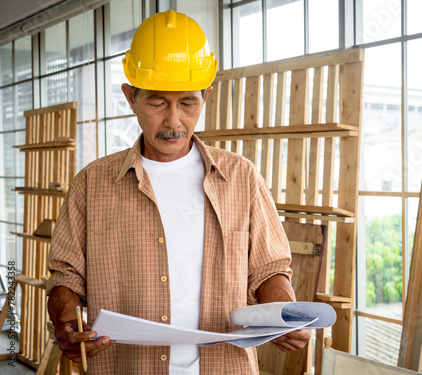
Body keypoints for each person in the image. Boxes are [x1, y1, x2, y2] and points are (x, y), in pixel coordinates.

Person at [46, 9, 310, 374]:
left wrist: (284, 314)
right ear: (130, 96)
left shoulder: (241, 178)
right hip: (126, 367)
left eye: (188, 103)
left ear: (206, 95)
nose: (173, 121)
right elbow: (66, 277)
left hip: (224, 366)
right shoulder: (92, 184)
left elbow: (269, 270)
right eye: (157, 102)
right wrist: (66, 324)